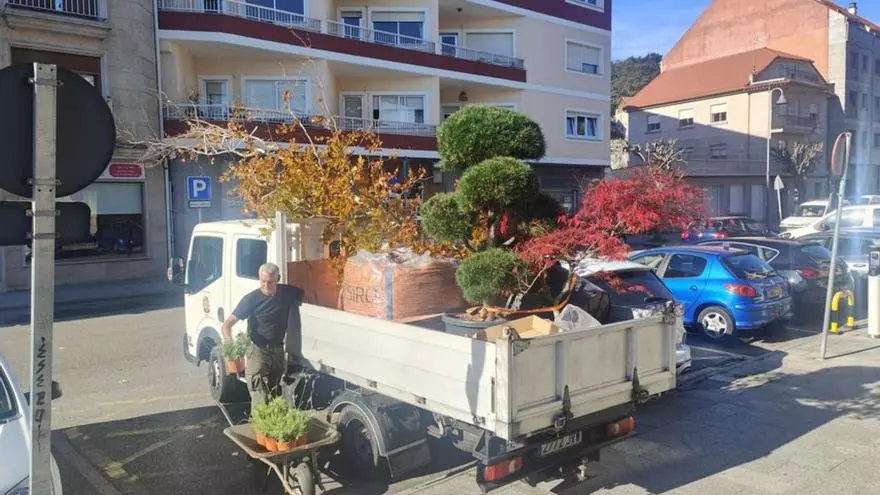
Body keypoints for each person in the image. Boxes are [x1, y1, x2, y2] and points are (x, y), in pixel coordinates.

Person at [221, 263, 303, 414]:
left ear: (278, 278)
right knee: (259, 392)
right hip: (257, 349)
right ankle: (259, 425)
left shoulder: (287, 293)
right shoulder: (251, 299)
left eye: (270, 282)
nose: (266, 285)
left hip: (277, 349)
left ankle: (274, 426)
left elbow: (308, 294)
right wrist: (229, 345)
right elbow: (226, 325)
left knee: (275, 391)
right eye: (262, 281)